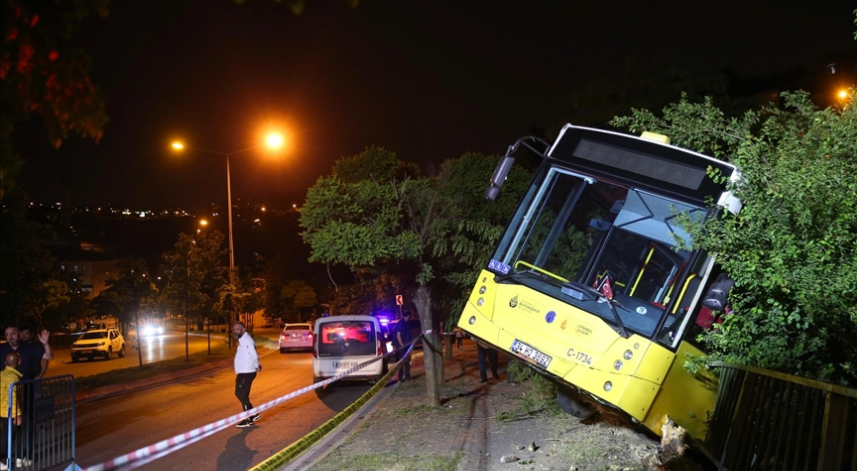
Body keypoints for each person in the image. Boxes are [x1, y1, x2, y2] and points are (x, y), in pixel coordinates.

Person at [232, 322, 261, 428]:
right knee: (241, 394)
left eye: (237, 329)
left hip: (246, 372)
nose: (235, 331)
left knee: (241, 395)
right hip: (244, 372)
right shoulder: (242, 340)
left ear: (244, 329)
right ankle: (252, 414)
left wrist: (257, 365)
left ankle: (248, 419)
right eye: (234, 329)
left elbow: (254, 354)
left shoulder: (247, 340)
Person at [1, 352, 23, 470]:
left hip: (2, 411)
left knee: (9, 435)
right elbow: (13, 398)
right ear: (19, 362)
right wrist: (17, 415)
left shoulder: (1, 374)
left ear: (5, 362)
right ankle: (2, 459)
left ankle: (17, 457)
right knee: (7, 436)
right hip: (9, 412)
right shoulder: (14, 378)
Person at [395, 311, 413, 382]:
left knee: (407, 362)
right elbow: (398, 335)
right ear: (408, 316)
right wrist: (402, 345)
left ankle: (407, 376)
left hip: (407, 346)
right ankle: (400, 377)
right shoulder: (401, 323)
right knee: (402, 362)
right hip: (403, 347)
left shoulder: (407, 324)